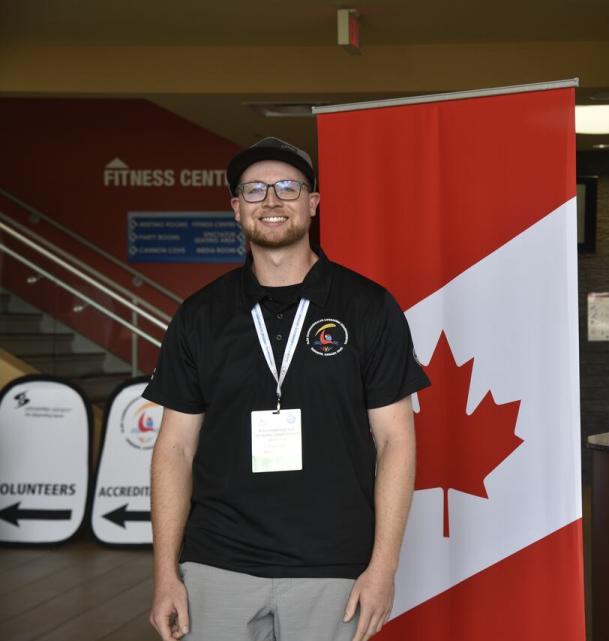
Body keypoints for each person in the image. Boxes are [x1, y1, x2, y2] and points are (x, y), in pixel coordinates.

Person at [145, 137, 428, 641]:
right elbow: (174, 447)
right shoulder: (200, 316)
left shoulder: (368, 307)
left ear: (313, 204)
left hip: (334, 565)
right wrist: (166, 574)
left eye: (287, 187)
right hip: (218, 564)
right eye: (254, 190)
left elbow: (395, 440)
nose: (271, 200)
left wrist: (382, 567)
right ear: (236, 209)